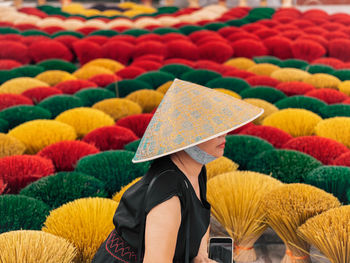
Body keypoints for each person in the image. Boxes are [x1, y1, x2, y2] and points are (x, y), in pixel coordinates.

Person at [92, 79, 263, 263]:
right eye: (210, 129)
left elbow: (200, 215)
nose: (223, 134)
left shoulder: (196, 171)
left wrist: (200, 256)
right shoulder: (168, 195)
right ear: (186, 138)